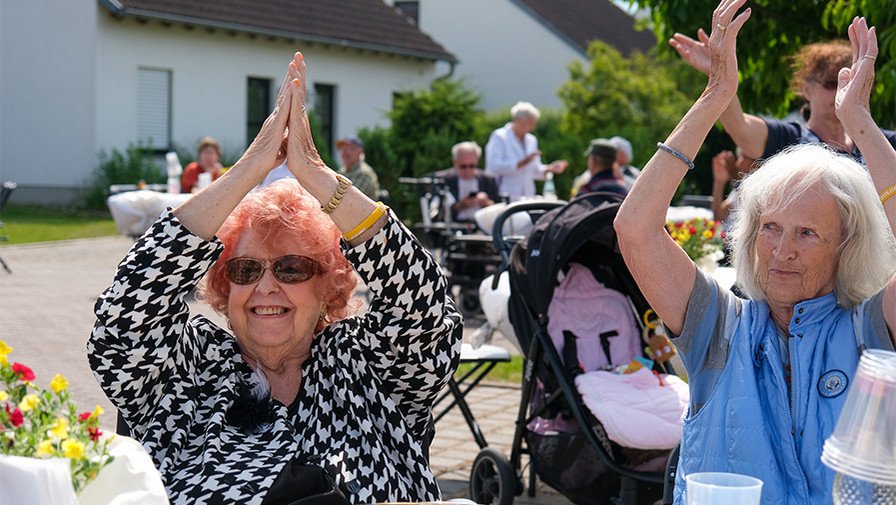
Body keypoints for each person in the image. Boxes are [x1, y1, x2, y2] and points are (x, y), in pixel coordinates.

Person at [89, 53, 462, 504]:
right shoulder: (185, 370)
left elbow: (422, 309)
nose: (266, 287)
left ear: (329, 284)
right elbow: (121, 321)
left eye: (291, 268)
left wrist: (316, 174)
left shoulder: (369, 362)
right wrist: (250, 167)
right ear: (225, 287)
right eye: (245, 270)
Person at [615, 6, 895, 504]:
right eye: (770, 227)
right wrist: (713, 97)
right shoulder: (718, 328)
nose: (782, 251)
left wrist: (861, 122)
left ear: (846, 245)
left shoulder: (868, 333)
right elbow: (635, 229)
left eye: (807, 233)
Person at [670, 20, 896, 164]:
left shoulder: (886, 143)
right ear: (805, 89)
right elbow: (740, 128)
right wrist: (719, 75)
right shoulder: (787, 139)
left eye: (851, 81)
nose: (842, 90)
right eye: (831, 82)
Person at [485, 101, 568, 201]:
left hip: (528, 196)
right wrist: (520, 163)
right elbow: (493, 167)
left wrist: (549, 168)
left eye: (533, 124)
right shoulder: (499, 137)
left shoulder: (531, 140)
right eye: (529, 124)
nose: (532, 128)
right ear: (518, 120)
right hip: (505, 194)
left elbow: (534, 170)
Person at [434, 141, 500, 223]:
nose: (468, 170)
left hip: (481, 229)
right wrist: (461, 206)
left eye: (472, 166)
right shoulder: (443, 180)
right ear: (455, 162)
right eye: (463, 166)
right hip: (454, 229)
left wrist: (487, 203)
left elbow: (499, 210)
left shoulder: (488, 180)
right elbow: (436, 214)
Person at [710, 146, 756, 222]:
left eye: (745, 157)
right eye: (740, 157)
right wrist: (719, 182)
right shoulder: (738, 189)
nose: (739, 162)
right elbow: (718, 216)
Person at [336, 135, 380, 200]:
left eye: (350, 148)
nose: (344, 151)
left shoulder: (364, 173)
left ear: (359, 152)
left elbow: (352, 199)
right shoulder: (341, 171)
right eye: (342, 148)